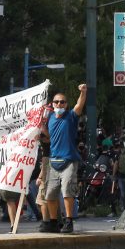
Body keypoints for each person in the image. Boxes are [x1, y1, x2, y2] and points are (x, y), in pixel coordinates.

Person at [41, 84, 87, 234]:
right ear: (52, 104)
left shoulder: (71, 116)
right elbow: (50, 138)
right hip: (54, 161)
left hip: (69, 161)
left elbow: (79, 105)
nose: (59, 104)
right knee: (50, 195)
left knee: (67, 191)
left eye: (62, 102)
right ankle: (54, 222)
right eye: (56, 102)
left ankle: (68, 221)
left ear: (66, 104)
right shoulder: (50, 119)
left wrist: (83, 92)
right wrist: (39, 132)